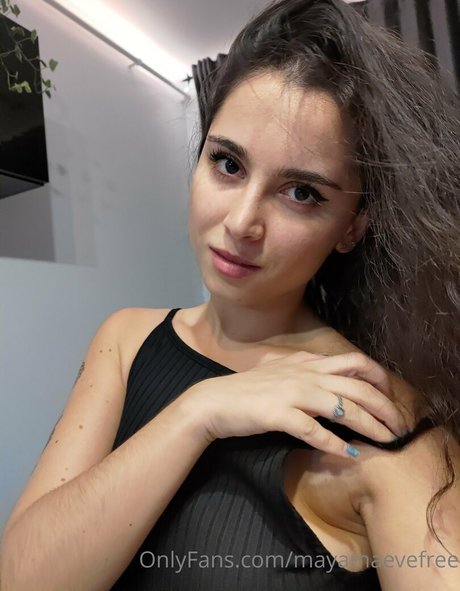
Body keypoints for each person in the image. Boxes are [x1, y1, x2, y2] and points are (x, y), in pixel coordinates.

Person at [1, 0, 459, 589]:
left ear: (352, 226)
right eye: (227, 164)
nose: (242, 222)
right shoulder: (126, 338)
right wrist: (199, 411)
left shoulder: (378, 420)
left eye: (301, 193)